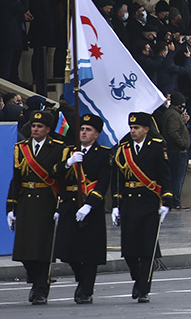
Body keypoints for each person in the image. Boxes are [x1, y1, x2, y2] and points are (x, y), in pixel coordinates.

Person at [111, 112, 173, 304]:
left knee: (147, 249)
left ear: (146, 129)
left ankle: (144, 289)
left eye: (136, 128)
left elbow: (165, 175)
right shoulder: (124, 149)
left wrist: (167, 201)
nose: (133, 131)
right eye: (131, 128)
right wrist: (115, 204)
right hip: (129, 202)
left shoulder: (156, 146)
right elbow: (118, 178)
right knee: (129, 250)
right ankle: (138, 278)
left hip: (148, 202)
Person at [53, 114, 112, 304]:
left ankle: (86, 289)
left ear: (96, 134)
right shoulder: (68, 151)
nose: (84, 132)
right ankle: (81, 278)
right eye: (82, 129)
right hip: (69, 204)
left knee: (90, 251)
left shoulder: (104, 153)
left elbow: (103, 183)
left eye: (88, 130)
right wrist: (68, 163)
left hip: (91, 206)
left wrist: (89, 205)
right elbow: (54, 174)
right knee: (66, 249)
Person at [6, 111, 63, 305]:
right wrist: (10, 207)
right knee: (25, 249)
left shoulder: (57, 148)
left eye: (39, 126)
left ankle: (41, 289)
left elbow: (61, 179)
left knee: (42, 248)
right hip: (25, 201)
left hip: (46, 200)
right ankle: (34, 279)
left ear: (48, 129)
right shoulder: (21, 148)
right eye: (33, 126)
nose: (35, 129)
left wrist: (59, 206)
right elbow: (16, 179)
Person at [160, 93, 190, 210]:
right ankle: (175, 202)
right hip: (177, 151)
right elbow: (173, 132)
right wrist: (182, 145)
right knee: (177, 178)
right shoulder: (173, 115)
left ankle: (174, 201)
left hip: (176, 150)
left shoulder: (174, 114)